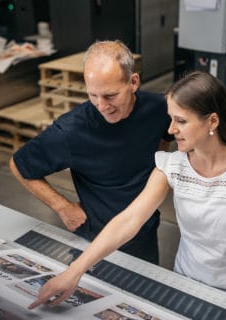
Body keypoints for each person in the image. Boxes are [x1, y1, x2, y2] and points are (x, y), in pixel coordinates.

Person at [27, 71, 226, 314]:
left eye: (181, 121)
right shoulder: (172, 165)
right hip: (186, 286)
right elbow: (129, 220)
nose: (171, 129)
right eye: (171, 118)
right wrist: (74, 272)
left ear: (212, 121)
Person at [9, 40, 173, 264]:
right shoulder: (71, 130)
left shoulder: (159, 108)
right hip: (96, 241)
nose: (102, 105)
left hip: (145, 234)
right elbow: (19, 164)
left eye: (110, 95)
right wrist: (63, 207)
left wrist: (158, 167)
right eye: (93, 95)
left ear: (133, 82)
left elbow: (167, 134)